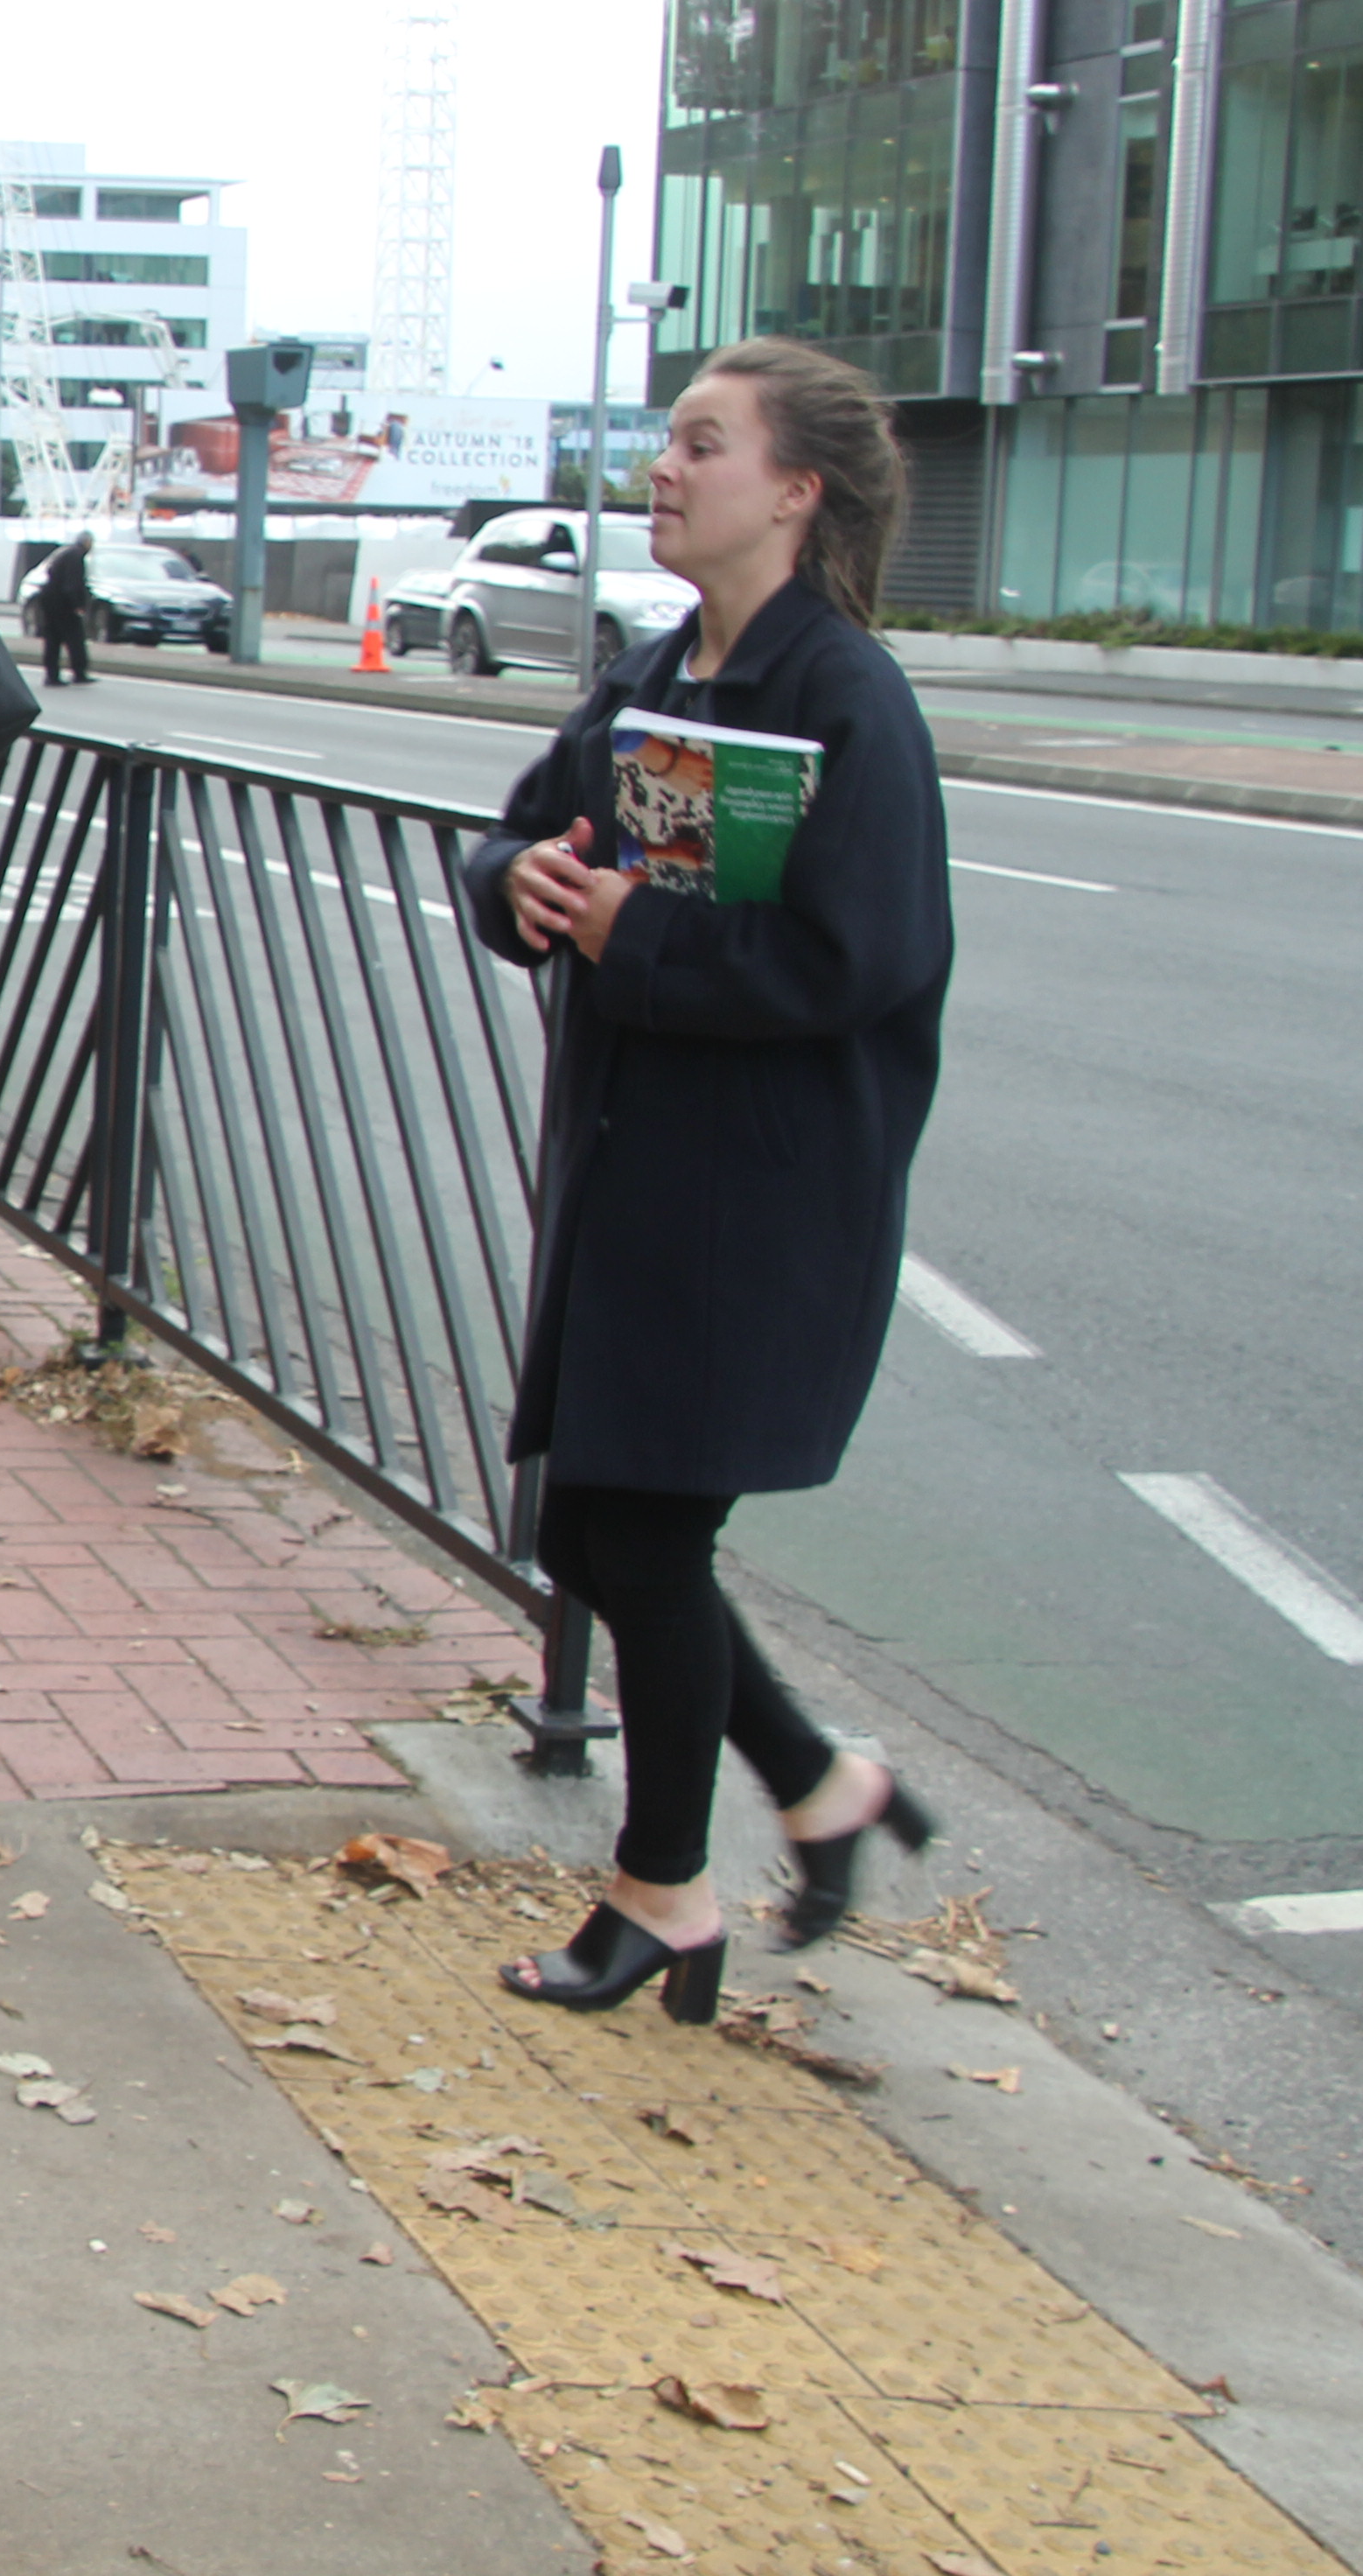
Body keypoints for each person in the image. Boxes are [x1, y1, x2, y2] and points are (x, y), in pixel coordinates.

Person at [461, 335, 954, 2024]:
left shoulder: (845, 696)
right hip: (632, 1166)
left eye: (698, 444)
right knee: (599, 1525)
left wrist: (635, 935)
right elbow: (518, 830)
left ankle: (662, 1890)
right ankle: (814, 1789)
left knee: (640, 1530)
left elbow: (860, 959)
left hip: (761, 1190)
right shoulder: (655, 670)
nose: (660, 470)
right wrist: (517, 880)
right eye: (665, 442)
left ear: (793, 491)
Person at [33, 528, 96, 688]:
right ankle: (79, 672)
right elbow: (72, 585)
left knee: (53, 640)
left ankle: (52, 675)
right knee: (75, 638)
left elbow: (51, 572)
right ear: (86, 543)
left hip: (50, 600)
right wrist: (78, 605)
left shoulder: (66, 553)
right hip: (63, 604)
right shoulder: (76, 557)